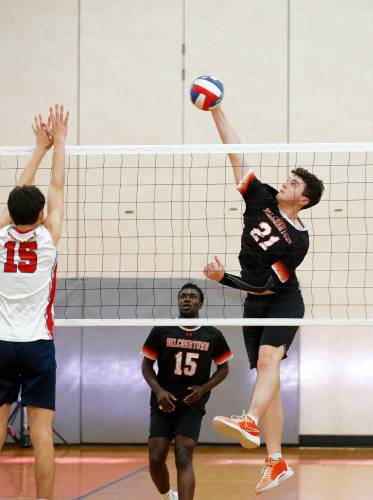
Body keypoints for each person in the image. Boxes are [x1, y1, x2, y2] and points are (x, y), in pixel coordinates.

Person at [203, 107, 324, 495]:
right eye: (287, 178)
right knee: (266, 377)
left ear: (303, 201)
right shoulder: (261, 198)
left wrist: (224, 279)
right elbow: (236, 152)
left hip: (283, 300)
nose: (285, 183)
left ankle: (249, 420)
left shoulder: (299, 242)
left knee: (270, 361)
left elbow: (267, 287)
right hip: (254, 302)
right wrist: (216, 110)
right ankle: (275, 461)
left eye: (293, 183)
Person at [0, 104, 69, 500]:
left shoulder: (1, 237)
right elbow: (57, 189)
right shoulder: (47, 240)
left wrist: (38, 150)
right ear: (42, 215)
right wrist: (59, 144)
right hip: (37, 345)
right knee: (42, 434)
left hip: (3, 344)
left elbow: (15, 203)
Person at [141, 282, 232, 500]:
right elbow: (146, 366)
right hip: (163, 402)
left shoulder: (212, 334)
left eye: (192, 296)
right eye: (183, 296)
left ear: (201, 303)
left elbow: (224, 368)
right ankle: (166, 495)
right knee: (155, 457)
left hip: (192, 404)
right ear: (178, 301)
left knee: (183, 455)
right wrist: (159, 391)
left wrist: (203, 389)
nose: (187, 299)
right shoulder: (162, 329)